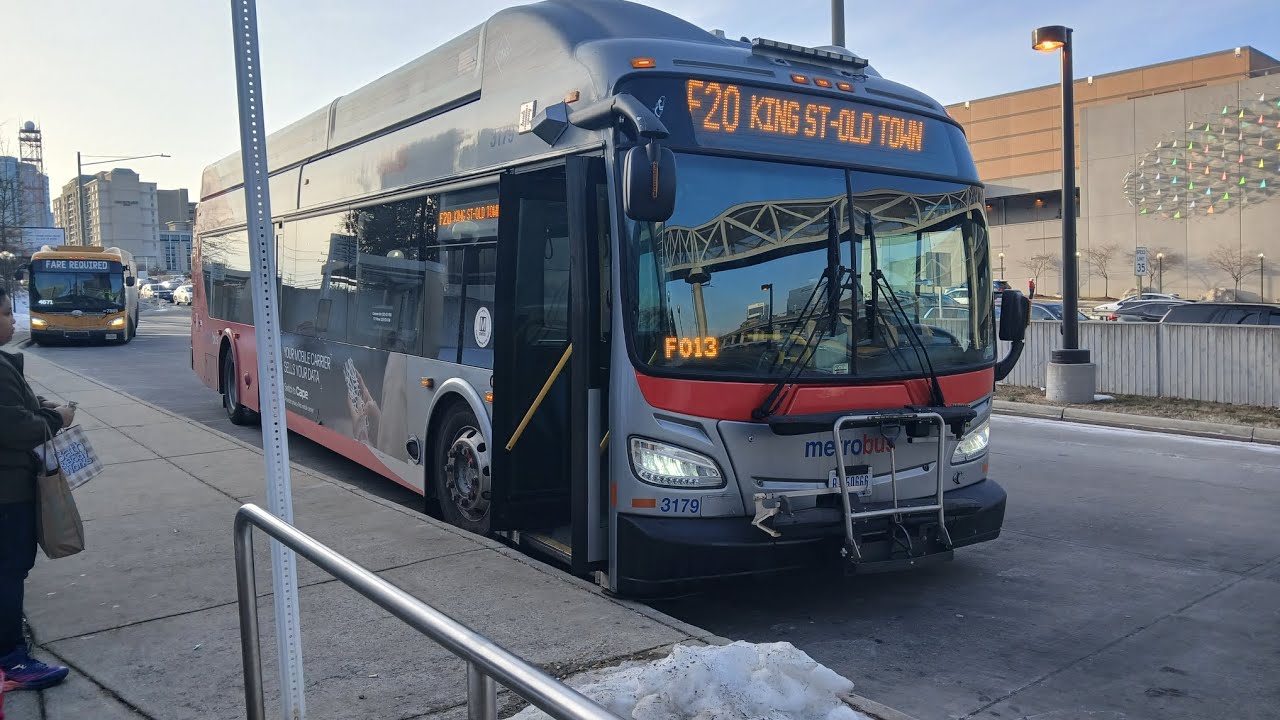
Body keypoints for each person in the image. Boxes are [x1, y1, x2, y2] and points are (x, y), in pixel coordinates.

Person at [0, 286, 74, 691]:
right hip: (8, 493)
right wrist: (57, 418)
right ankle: (12, 659)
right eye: (5, 313)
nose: (13, 320)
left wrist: (38, 405)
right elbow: (15, 427)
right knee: (9, 571)